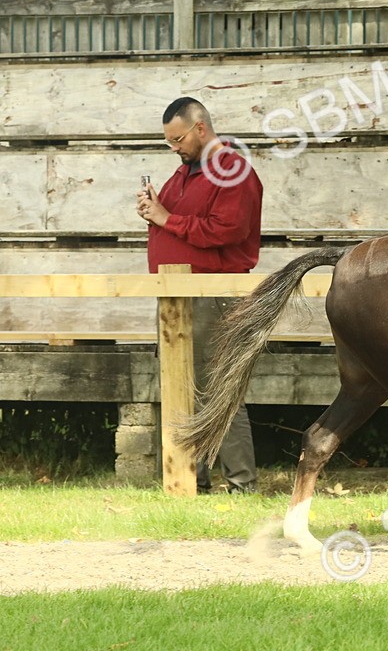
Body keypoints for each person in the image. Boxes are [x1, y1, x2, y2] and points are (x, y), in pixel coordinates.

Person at [136, 97, 262, 493]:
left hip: (214, 292)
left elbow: (227, 230)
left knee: (217, 390)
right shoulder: (185, 173)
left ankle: (242, 484)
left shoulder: (232, 172)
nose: (174, 147)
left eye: (178, 139)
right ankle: (194, 482)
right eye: (169, 142)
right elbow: (174, 223)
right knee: (180, 388)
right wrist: (154, 208)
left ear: (200, 128)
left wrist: (165, 218)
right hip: (178, 296)